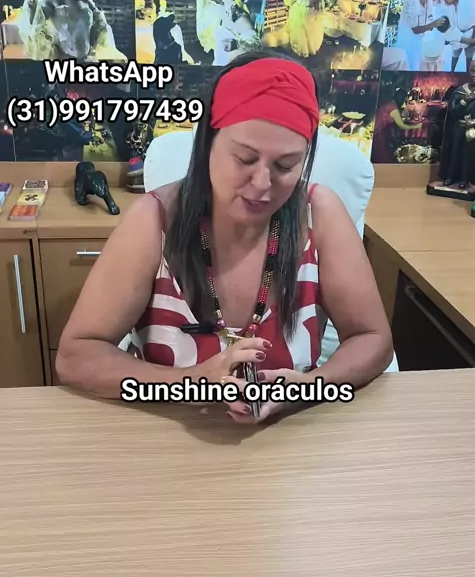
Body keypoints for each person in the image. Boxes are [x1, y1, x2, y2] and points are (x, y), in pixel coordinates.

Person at [56, 51, 393, 425]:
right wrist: (192, 382)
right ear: (208, 143)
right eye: (245, 159)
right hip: (166, 440)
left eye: (285, 166)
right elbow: (77, 356)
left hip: (290, 443)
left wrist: (308, 389)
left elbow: (373, 339)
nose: (262, 184)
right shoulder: (153, 222)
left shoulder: (319, 214)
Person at [17, 0, 127, 61]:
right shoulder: (52, 0)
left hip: (87, 59)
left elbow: (101, 24)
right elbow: (33, 20)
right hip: (64, 62)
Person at [185, 0, 261, 66]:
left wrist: (235, 44)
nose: (223, 0)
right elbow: (207, 4)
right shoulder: (224, 12)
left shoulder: (242, 20)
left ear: (233, 1)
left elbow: (255, 46)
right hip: (218, 63)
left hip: (231, 66)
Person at [438, 59, 475, 188]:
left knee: (468, 155)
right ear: (469, 71)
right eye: (473, 71)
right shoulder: (459, 92)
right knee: (454, 152)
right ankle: (450, 177)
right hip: (458, 128)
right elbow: (452, 112)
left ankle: (465, 180)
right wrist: (464, 101)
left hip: (473, 131)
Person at [396, 0, 448, 70]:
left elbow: (439, 0)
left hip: (422, 41)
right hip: (409, 41)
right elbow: (415, 30)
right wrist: (433, 24)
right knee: (411, 66)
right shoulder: (410, 2)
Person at [438, 0, 475, 71]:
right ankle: (452, 72)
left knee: (469, 58)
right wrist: (465, 40)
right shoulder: (447, 4)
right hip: (457, 37)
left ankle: (467, 76)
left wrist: (472, 40)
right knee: (454, 56)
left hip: (471, 33)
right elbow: (448, 30)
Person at [371, 87, 422, 163]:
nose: (404, 103)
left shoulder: (390, 102)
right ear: (400, 99)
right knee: (382, 156)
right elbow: (401, 125)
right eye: (404, 100)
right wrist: (417, 126)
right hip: (378, 131)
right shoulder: (393, 108)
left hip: (377, 129)